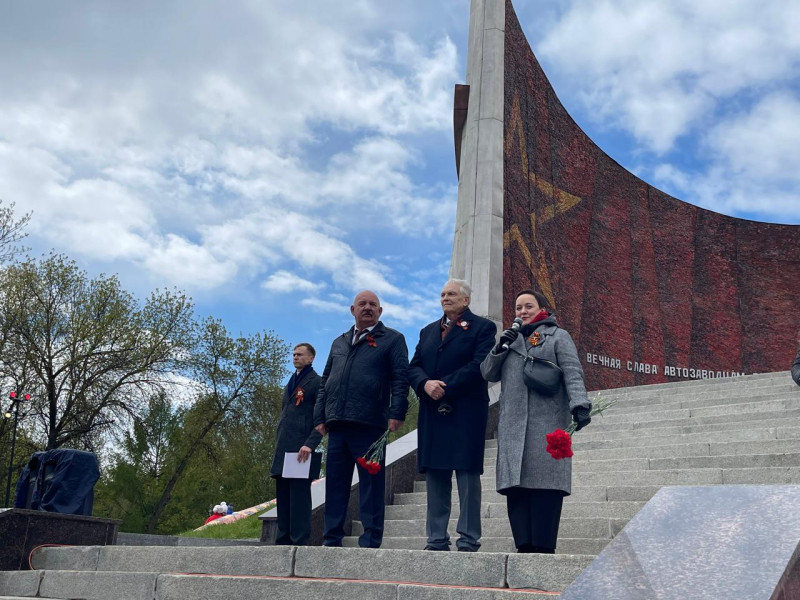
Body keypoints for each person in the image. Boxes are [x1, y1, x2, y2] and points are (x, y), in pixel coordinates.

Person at [480, 289, 591, 554]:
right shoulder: (510, 340)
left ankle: (543, 550)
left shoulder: (557, 336)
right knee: (517, 489)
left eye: (528, 306)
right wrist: (499, 347)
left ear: (542, 308)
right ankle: (523, 548)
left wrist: (580, 404)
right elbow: (487, 373)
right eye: (518, 308)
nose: (523, 312)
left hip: (546, 425)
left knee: (545, 488)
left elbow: (573, 372)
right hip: (513, 428)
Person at [313, 290, 409, 548]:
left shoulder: (393, 339)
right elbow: (325, 381)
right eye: (362, 304)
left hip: (370, 424)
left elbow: (400, 378)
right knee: (335, 484)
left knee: (371, 485)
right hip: (337, 424)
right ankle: (331, 538)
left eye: (373, 304)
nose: (367, 307)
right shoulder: (339, 342)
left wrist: (397, 411)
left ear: (380, 311)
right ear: (352, 310)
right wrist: (319, 415)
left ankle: (370, 539)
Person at [408, 279, 496, 552]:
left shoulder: (483, 327)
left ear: (465, 300)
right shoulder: (427, 331)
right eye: (443, 294)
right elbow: (414, 366)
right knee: (435, 473)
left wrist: (443, 387)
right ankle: (436, 538)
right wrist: (425, 384)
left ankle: (468, 538)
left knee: (467, 474)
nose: (445, 298)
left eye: (451, 294)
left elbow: (479, 365)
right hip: (432, 411)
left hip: (466, 410)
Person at [269, 343, 323, 545]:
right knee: (283, 496)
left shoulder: (316, 382)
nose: (295, 357)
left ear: (311, 358)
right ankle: (283, 539)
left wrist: (310, 443)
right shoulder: (291, 381)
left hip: (301, 448)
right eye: (293, 354)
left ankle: (299, 541)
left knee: (299, 497)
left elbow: (322, 417)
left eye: (299, 354)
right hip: (284, 447)